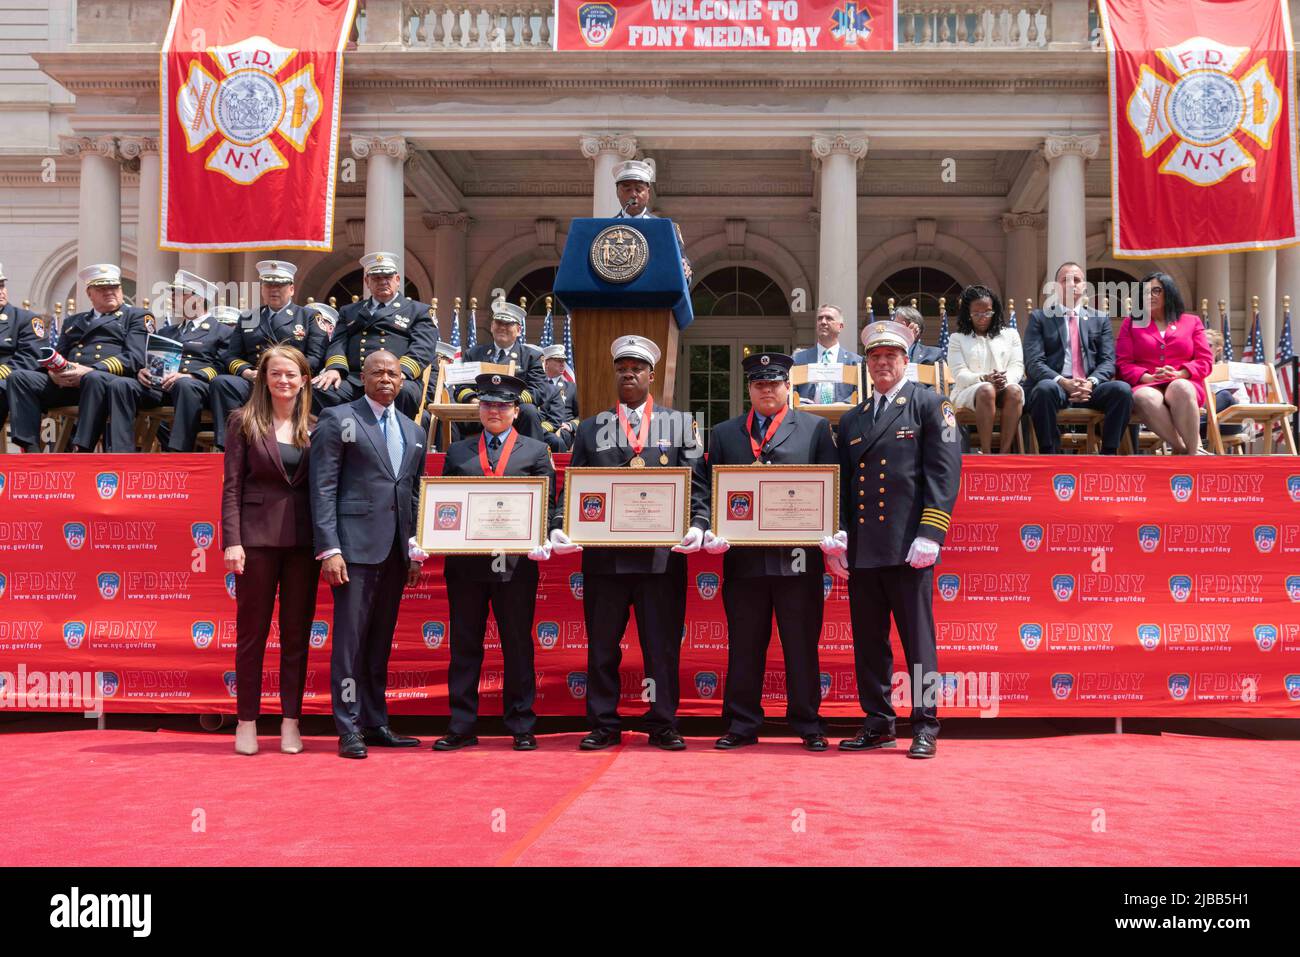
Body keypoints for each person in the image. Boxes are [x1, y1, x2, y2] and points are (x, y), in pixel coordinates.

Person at [551, 335, 709, 751]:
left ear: (651, 375)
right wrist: (559, 523)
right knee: (602, 647)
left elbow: (698, 486)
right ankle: (603, 722)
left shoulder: (681, 425)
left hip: (661, 560)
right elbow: (573, 487)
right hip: (606, 561)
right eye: (622, 368)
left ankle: (663, 723)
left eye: (636, 368)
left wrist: (698, 522)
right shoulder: (590, 428)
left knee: (660, 649)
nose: (628, 374)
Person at [828, 320, 961, 759]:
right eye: (875, 357)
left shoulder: (930, 405)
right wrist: (841, 536)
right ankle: (878, 722)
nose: (882, 363)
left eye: (891, 357)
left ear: (907, 360)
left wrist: (931, 532)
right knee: (869, 643)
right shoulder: (853, 418)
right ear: (866, 363)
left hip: (909, 548)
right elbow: (845, 485)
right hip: (866, 549)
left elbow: (944, 474)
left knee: (918, 641)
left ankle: (925, 724)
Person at [703, 352, 838, 752]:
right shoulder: (726, 433)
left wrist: (834, 532)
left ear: (787, 387)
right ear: (749, 388)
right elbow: (710, 491)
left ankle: (808, 723)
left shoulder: (814, 429)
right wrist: (710, 526)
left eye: (774, 383)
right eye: (759, 383)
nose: (767, 389)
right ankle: (742, 723)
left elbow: (833, 488)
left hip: (798, 558)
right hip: (744, 559)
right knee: (744, 645)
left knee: (800, 645)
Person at [427, 373, 559, 753]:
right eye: (487, 404)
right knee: (465, 645)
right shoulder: (458, 452)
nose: (494, 411)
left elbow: (547, 503)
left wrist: (544, 534)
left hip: (516, 566)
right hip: (467, 565)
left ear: (516, 411)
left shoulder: (535, 451)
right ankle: (462, 725)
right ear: (479, 409)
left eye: (503, 405)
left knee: (517, 644)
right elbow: (445, 505)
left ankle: (521, 723)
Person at [310, 350, 428, 759]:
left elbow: (413, 493)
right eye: (377, 372)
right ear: (362, 376)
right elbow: (322, 487)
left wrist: (414, 550)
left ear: (401, 380)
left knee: (380, 642)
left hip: (396, 552)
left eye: (393, 373)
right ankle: (348, 726)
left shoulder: (415, 429)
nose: (385, 379)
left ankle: (376, 722)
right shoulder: (339, 419)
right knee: (350, 643)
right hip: (353, 550)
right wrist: (330, 548)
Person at [221, 345, 319, 755]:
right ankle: (246, 722)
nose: (283, 381)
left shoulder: (316, 425)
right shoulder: (244, 421)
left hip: (303, 544)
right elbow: (232, 487)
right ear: (264, 378)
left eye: (291, 375)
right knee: (252, 635)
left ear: (303, 380)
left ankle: (290, 723)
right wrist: (232, 541)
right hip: (256, 542)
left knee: (296, 636)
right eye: (276, 374)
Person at [6, 263, 152, 453]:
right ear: (89, 293)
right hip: (70, 382)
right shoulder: (74, 321)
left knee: (93, 379)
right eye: (102, 288)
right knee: (19, 378)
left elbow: (135, 356)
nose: (109, 292)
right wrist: (53, 373)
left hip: (108, 381)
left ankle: (81, 447)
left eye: (114, 287)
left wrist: (91, 369)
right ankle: (30, 447)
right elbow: (58, 354)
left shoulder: (137, 316)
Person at [210, 260, 328, 450]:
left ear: (291, 288)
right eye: (269, 285)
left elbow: (315, 357)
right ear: (262, 289)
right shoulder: (248, 318)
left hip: (290, 381)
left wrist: (287, 373)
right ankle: (228, 446)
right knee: (222, 383)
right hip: (255, 380)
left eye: (280, 285)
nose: (274, 290)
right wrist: (247, 372)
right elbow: (231, 356)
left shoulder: (308, 317)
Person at [1023, 261, 1133, 454]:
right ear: (1056, 286)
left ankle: (1109, 453)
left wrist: (1090, 382)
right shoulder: (1040, 318)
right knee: (1043, 389)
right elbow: (1034, 362)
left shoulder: (1100, 319)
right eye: (1065, 280)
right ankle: (1049, 454)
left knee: (1122, 390)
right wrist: (1063, 382)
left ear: (1084, 287)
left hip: (1089, 388)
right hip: (1056, 387)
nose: (1072, 284)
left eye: (1077, 280)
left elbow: (1108, 361)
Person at [313, 251, 437, 419]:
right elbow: (338, 343)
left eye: (388, 277)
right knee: (320, 388)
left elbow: (423, 349)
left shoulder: (418, 311)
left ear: (397, 280)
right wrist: (335, 370)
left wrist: (399, 373)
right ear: (367, 282)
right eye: (377, 278)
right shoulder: (349, 311)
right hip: (357, 379)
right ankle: (345, 436)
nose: (383, 282)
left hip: (396, 378)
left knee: (405, 392)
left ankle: (393, 439)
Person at [1115, 272, 1214, 455]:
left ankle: (1195, 452)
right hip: (1147, 382)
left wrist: (1180, 374)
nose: (1150, 296)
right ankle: (1181, 448)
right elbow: (1123, 362)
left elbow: (1205, 360)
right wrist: (1148, 376)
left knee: (1180, 388)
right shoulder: (1131, 324)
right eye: (1145, 292)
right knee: (1143, 397)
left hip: (1184, 381)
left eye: (1156, 291)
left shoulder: (1192, 322)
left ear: (1168, 292)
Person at [138, 270, 235, 452]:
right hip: (164, 387)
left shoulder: (223, 331)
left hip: (199, 387)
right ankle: (123, 451)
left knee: (184, 386)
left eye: (179, 293)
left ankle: (179, 452)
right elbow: (154, 361)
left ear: (198, 299)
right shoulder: (167, 332)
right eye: (173, 292)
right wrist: (143, 371)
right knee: (125, 387)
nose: (172, 297)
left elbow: (222, 367)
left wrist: (191, 376)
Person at [451, 300, 549, 441]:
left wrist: (510, 402)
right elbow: (461, 387)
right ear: (491, 326)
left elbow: (538, 391)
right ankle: (450, 459)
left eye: (508, 324)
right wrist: (473, 399)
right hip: (480, 410)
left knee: (530, 412)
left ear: (519, 330)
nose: (502, 327)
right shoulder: (474, 354)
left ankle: (534, 459)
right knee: (447, 416)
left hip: (514, 411)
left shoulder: (531, 357)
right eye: (498, 323)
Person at [947, 285, 1025, 454]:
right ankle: (987, 453)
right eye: (976, 313)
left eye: (987, 312)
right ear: (968, 313)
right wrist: (984, 378)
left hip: (1004, 386)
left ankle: (1003, 454)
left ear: (995, 311)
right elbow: (959, 375)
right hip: (969, 391)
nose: (982, 318)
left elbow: (1017, 365)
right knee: (987, 390)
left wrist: (1006, 379)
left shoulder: (1010, 335)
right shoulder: (957, 339)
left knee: (1015, 391)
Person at [611, 159, 691, 279]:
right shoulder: (606, 227)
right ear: (617, 192)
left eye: (638, 189)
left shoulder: (667, 228)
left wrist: (686, 271)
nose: (633, 194)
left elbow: (682, 261)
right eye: (627, 189)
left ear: (648, 193)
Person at [0, 262, 46, 441]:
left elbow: (31, 357)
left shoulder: (27, 320)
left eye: (2, 286)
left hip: (7, 380)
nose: (1, 291)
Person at [792, 304, 862, 404]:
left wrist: (844, 404)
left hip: (843, 415)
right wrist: (802, 402)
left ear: (840, 326)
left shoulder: (855, 361)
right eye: (820, 319)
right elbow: (789, 390)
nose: (823, 322)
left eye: (829, 318)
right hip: (806, 415)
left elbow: (861, 392)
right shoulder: (798, 359)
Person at [1202, 328, 1246, 441]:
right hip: (1203, 424)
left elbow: (1245, 402)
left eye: (1207, 345)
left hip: (1228, 423)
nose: (1202, 347)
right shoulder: (1190, 370)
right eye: (1198, 343)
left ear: (1218, 350)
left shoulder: (1230, 371)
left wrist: (1235, 401)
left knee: (1225, 396)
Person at [537, 343, 580, 450]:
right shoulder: (537, 386)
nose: (562, 364)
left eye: (563, 361)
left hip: (562, 431)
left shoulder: (572, 387)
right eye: (558, 361)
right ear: (546, 363)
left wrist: (571, 426)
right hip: (540, 429)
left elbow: (582, 414)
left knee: (556, 441)